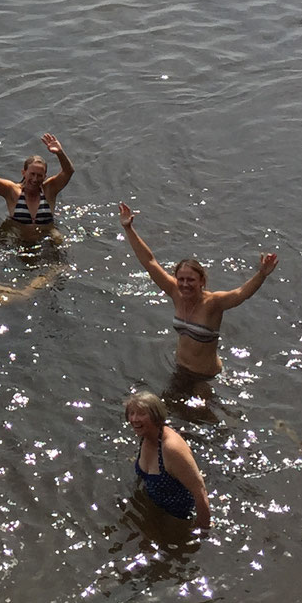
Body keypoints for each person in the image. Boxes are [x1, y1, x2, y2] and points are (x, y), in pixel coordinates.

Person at [118, 202, 277, 380]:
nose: (185, 284)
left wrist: (262, 274)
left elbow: (241, 293)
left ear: (202, 281)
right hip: (179, 368)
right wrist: (128, 228)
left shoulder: (214, 303)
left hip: (205, 376)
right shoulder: (175, 291)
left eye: (191, 280)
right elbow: (149, 262)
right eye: (181, 279)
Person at [125, 390, 210, 526]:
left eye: (141, 413)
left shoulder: (172, 449)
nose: (134, 419)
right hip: (153, 508)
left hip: (178, 519)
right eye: (132, 413)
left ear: (156, 416)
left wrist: (203, 530)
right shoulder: (145, 436)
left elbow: (200, 492)